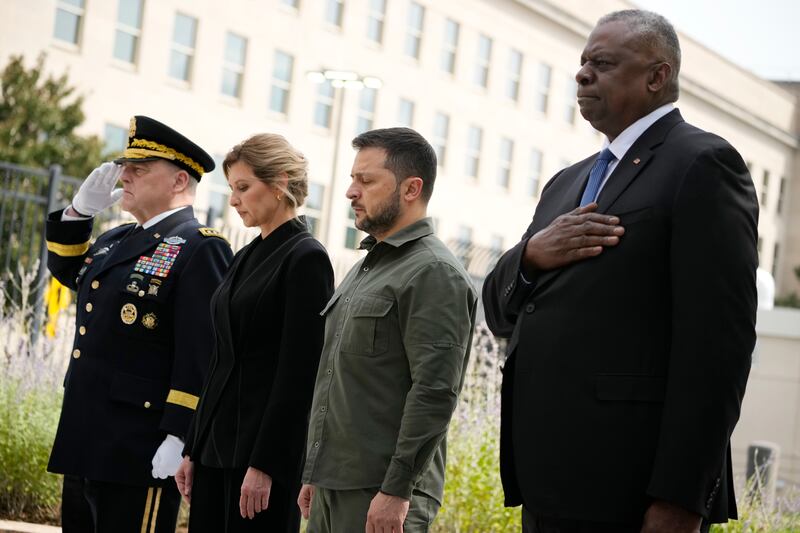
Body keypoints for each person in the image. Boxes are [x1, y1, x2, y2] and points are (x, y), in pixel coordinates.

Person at [483, 9, 759, 533]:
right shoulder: (567, 182)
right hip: (549, 482)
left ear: (658, 76)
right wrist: (532, 255)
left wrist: (681, 496)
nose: (582, 74)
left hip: (629, 489)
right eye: (583, 62)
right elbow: (499, 308)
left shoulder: (703, 163)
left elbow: (717, 346)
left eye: (603, 63)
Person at [45, 115, 233, 533]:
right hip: (87, 435)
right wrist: (78, 212)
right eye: (126, 166)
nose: (124, 175)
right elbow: (72, 273)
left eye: (139, 169)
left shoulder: (200, 246)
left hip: (139, 446)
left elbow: (201, 351)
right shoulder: (118, 239)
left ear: (179, 181)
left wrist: (179, 435)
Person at [297, 127, 477, 532]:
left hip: (382, 495)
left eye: (365, 180)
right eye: (352, 179)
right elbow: (341, 380)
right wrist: (315, 472)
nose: (350, 192)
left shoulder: (433, 272)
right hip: (334, 486)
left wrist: (397, 490)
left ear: (411, 188)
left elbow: (434, 391)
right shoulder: (368, 265)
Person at [174, 133, 334, 532]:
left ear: (279, 183)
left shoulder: (306, 258)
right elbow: (220, 359)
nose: (233, 200)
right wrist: (193, 447)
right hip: (215, 449)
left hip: (259, 459)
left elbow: (299, 374)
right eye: (232, 189)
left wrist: (266, 463)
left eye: (243, 188)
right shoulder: (246, 254)